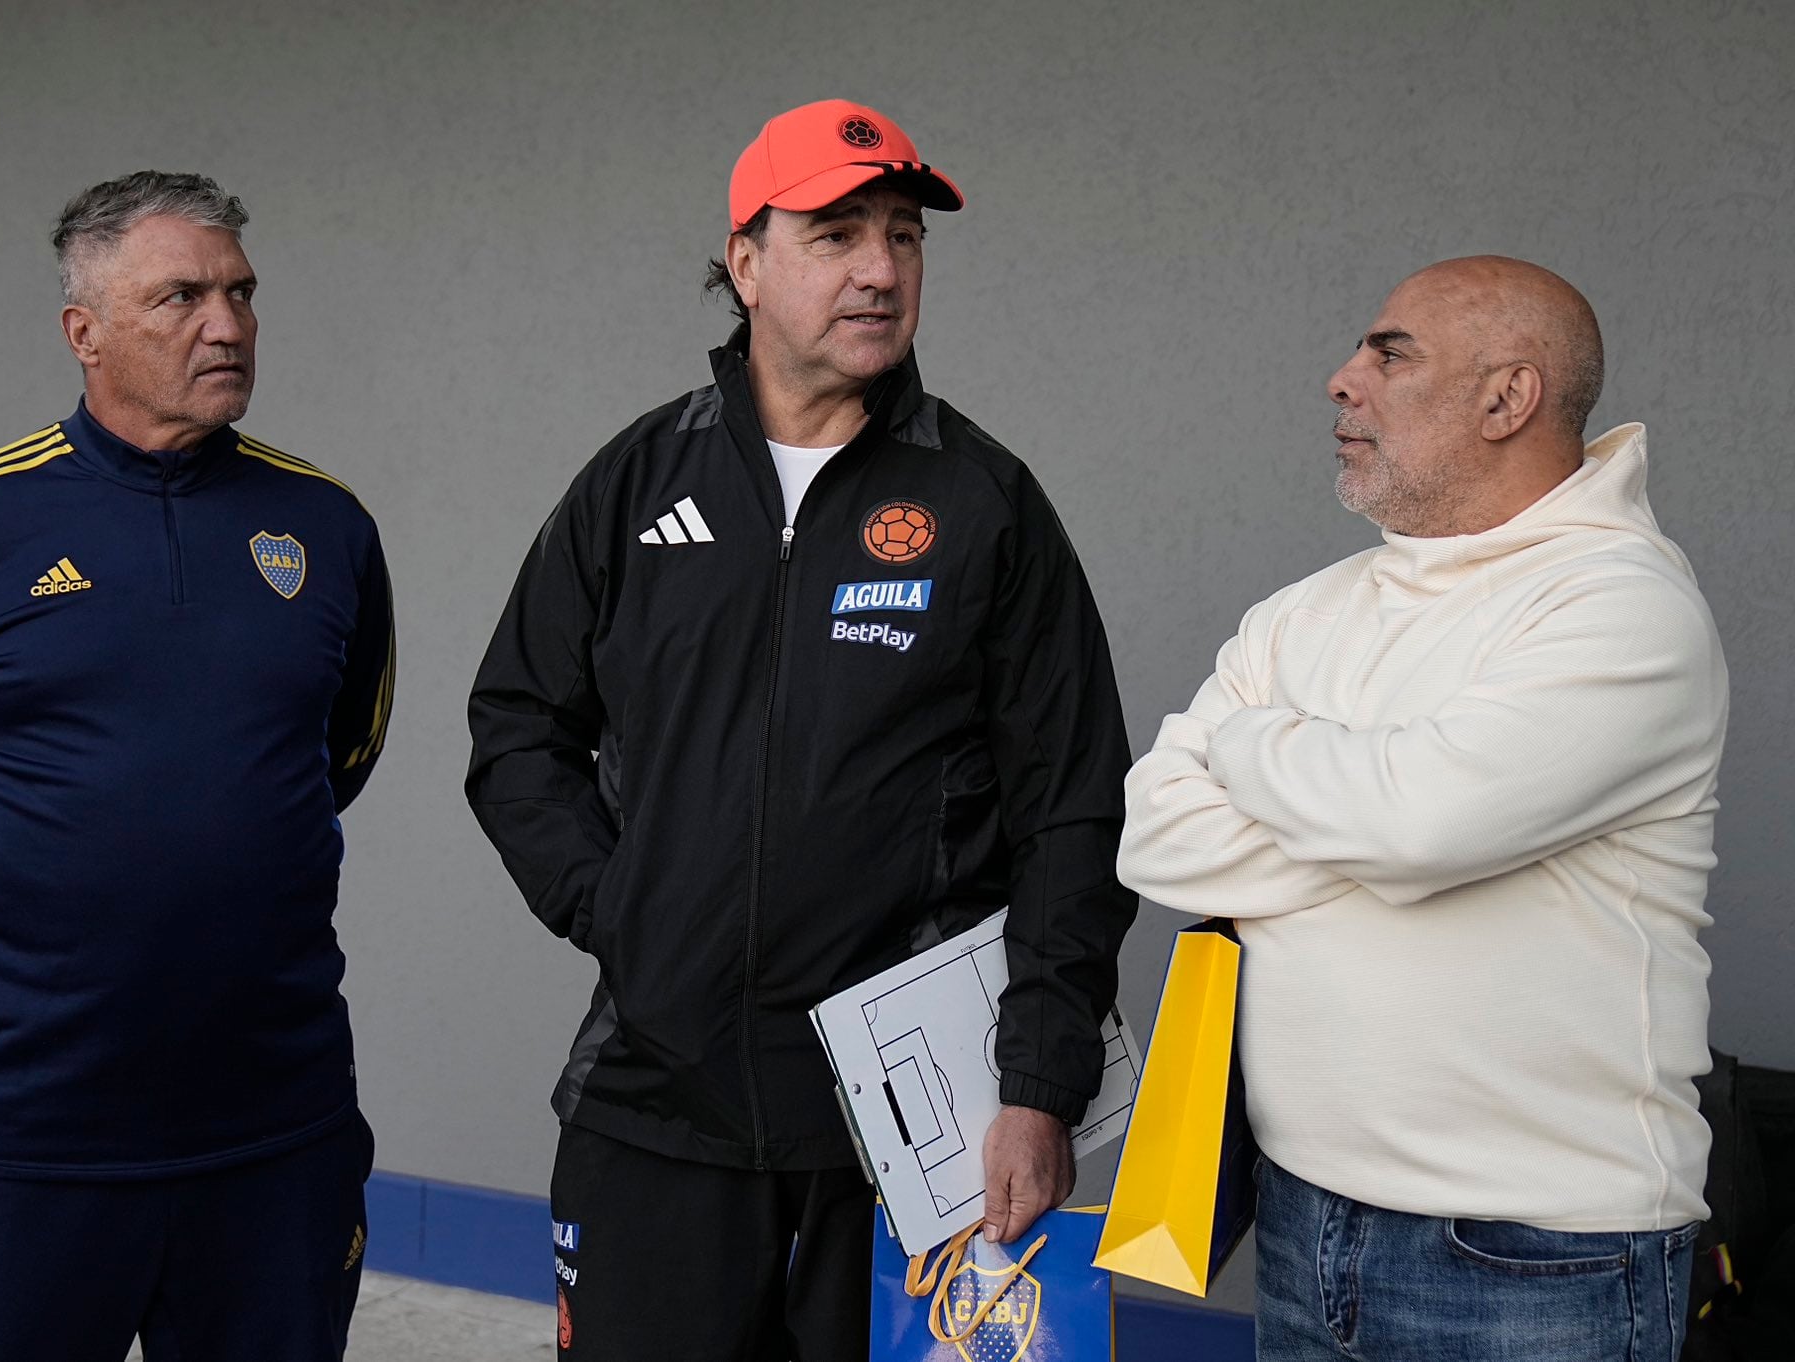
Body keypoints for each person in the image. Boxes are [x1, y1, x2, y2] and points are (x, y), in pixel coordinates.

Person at [466, 98, 1135, 1360]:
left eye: (901, 236)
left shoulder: (983, 501)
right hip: (655, 1093)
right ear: (747, 264)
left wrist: (1039, 1083)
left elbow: (1072, 805)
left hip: (912, 1133)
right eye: (834, 234)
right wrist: (619, 908)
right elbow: (515, 726)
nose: (879, 270)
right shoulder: (636, 483)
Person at [0, 170, 395, 1362]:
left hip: (273, 1128)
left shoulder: (326, 527)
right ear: (85, 332)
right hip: (22, 1128)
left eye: (239, 293)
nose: (225, 325)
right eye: (179, 296)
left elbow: (334, 757)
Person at [1119, 256, 1726, 1361]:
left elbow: (1417, 827)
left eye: (1388, 354)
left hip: (1538, 1260)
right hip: (1299, 1221)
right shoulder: (1305, 611)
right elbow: (1158, 837)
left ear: (1507, 397)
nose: (1339, 380)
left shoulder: (1620, 607)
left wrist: (1251, 745)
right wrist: (1385, 828)